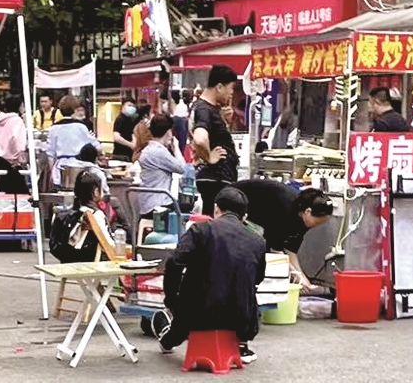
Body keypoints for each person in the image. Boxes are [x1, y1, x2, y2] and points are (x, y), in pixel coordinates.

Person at [154, 186, 267, 364]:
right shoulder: (258, 241)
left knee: (193, 296)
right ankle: (241, 345)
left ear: (216, 209)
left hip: (199, 316)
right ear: (244, 217)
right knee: (244, 290)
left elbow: (174, 264)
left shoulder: (200, 230)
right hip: (242, 321)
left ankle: (169, 339)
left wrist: (172, 301)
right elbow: (258, 278)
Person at [229, 178, 335, 293]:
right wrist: (297, 276)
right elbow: (275, 250)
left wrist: (303, 279)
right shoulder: (285, 210)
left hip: (257, 215)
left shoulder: (303, 218)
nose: (317, 226)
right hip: (233, 201)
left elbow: (290, 250)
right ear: (308, 212)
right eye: (317, 222)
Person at [190, 66, 238, 216]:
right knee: (215, 222)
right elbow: (199, 139)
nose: (231, 93)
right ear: (219, 87)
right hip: (215, 179)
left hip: (217, 179)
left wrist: (225, 121)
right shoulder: (204, 109)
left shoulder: (211, 108)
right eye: (230, 89)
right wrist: (209, 157)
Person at [134, 114, 184, 219]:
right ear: (168, 132)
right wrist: (176, 148)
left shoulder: (149, 149)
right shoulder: (159, 152)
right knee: (187, 208)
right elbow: (182, 168)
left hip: (147, 203)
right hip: (158, 204)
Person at [46, 95, 101, 187]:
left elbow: (51, 154)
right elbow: (96, 147)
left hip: (60, 168)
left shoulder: (53, 128)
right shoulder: (81, 126)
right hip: (79, 167)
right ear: (74, 109)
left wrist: (52, 173)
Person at [111, 98, 139, 163]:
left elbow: (132, 133)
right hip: (120, 154)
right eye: (129, 105)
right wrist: (131, 145)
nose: (131, 108)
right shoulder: (120, 119)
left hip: (128, 154)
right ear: (123, 106)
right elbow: (116, 137)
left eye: (133, 106)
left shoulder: (129, 119)